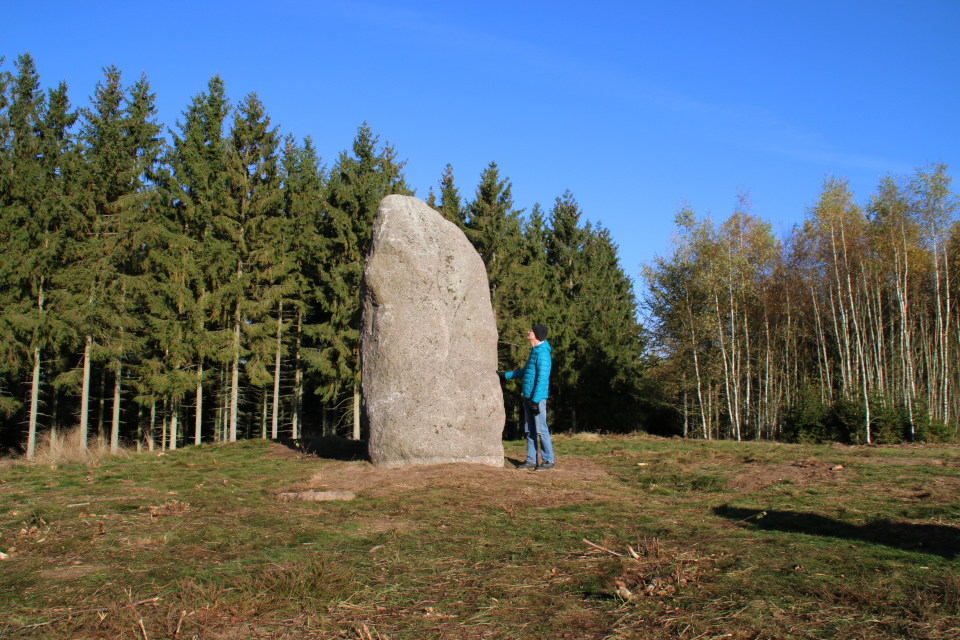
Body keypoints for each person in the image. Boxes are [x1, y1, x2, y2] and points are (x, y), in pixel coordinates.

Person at [498, 324, 554, 470]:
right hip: (528, 397)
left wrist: (535, 401)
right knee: (530, 429)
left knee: (541, 429)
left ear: (536, 335)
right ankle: (531, 460)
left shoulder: (543, 353)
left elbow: (542, 378)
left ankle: (548, 461)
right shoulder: (535, 352)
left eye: (531, 330)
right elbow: (526, 372)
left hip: (537, 399)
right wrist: (505, 375)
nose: (528, 332)